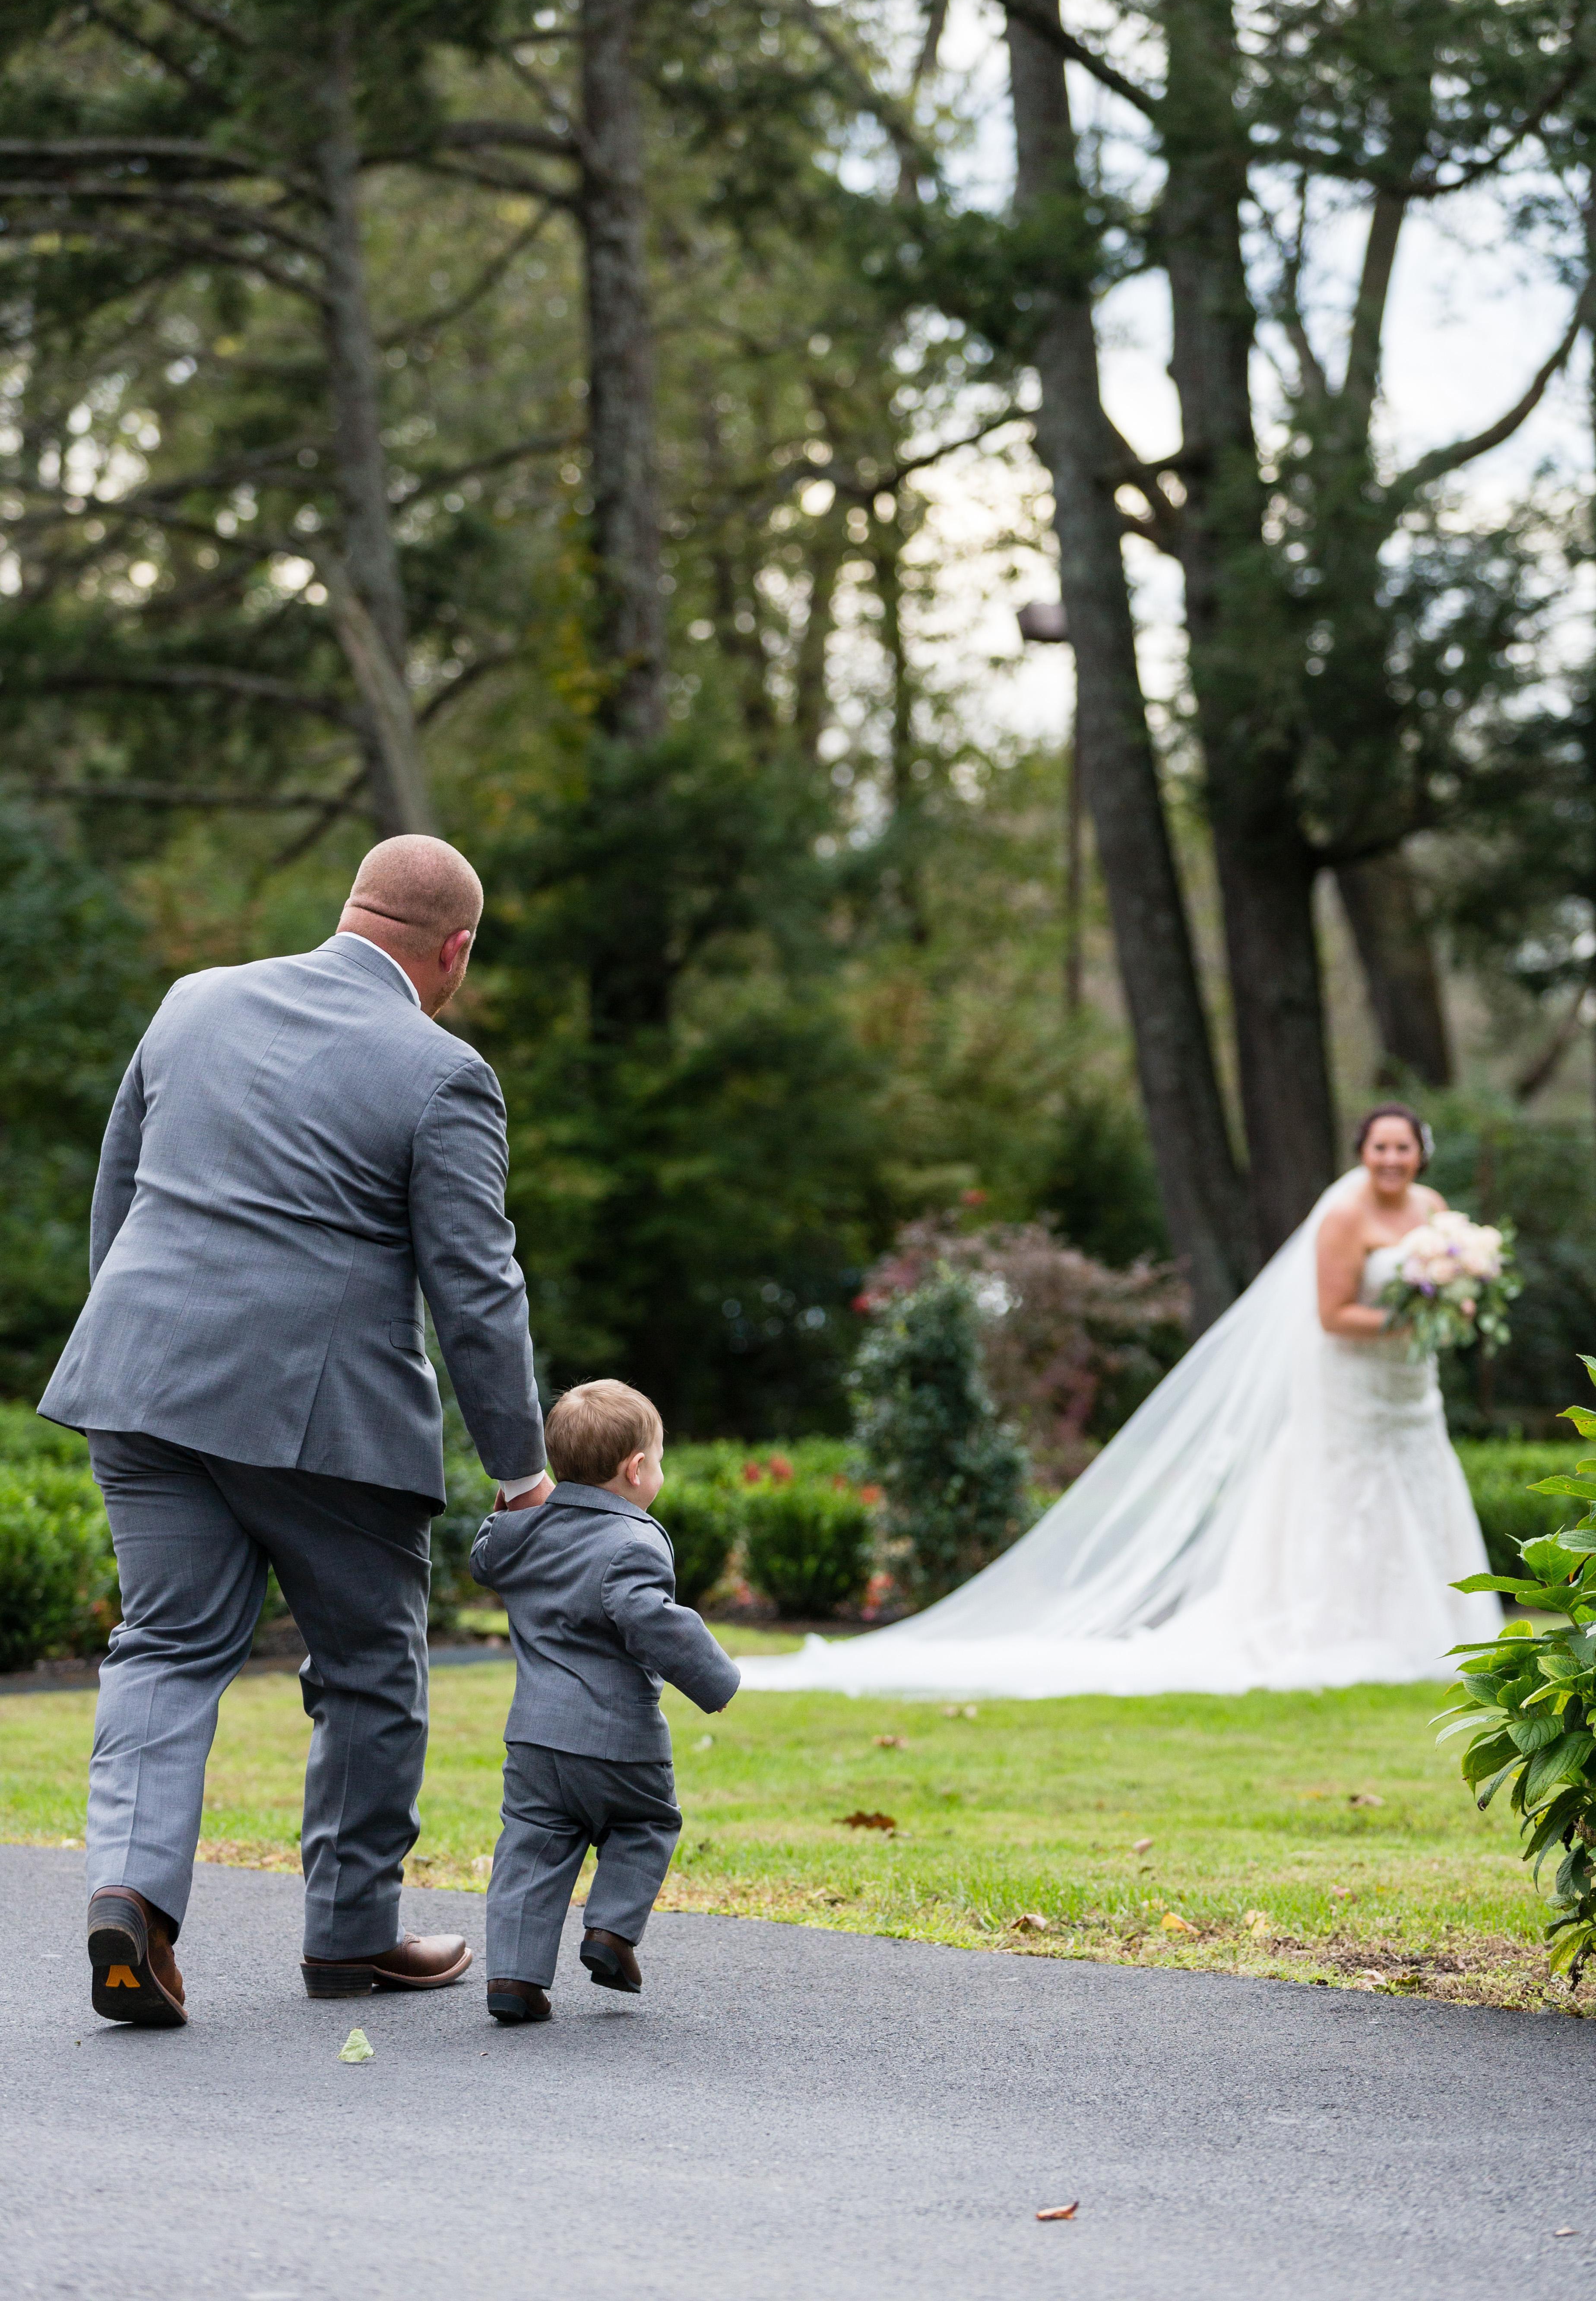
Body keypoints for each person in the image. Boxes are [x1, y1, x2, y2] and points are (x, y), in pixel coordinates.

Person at [39, 837, 551, 2028]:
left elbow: (120, 1198)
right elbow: (476, 1290)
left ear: (351, 909)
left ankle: (132, 1899)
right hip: (323, 1419)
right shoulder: (444, 1073)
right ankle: (351, 1935)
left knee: (165, 1647)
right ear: (455, 951)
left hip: (142, 1377)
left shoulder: (193, 1002)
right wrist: (523, 1472)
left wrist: (141, 1355)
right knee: (370, 1668)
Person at [738, 1105, 1500, 1699]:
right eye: (1381, 1147)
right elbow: (1332, 1316)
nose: (1392, 1159)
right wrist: (1411, 1318)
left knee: (1419, 1484)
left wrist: (1455, 1302)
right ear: (1363, 1152)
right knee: (1346, 1495)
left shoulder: (1432, 1208)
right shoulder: (1343, 1217)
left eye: (1404, 1148)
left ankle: (1431, 1625)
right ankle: (1337, 1628)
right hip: (1350, 1385)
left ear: (1421, 1153)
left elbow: (1445, 1283)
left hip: (1410, 1386)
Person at [471, 1379, 739, 2025]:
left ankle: (514, 1978)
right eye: (660, 1460)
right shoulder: (633, 1542)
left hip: (535, 1741)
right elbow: (647, 1616)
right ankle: (611, 1933)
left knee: (532, 1847)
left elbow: (485, 1557)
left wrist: (508, 1508)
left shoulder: (523, 1533)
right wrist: (714, 1678)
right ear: (637, 1469)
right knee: (646, 1825)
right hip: (620, 1740)